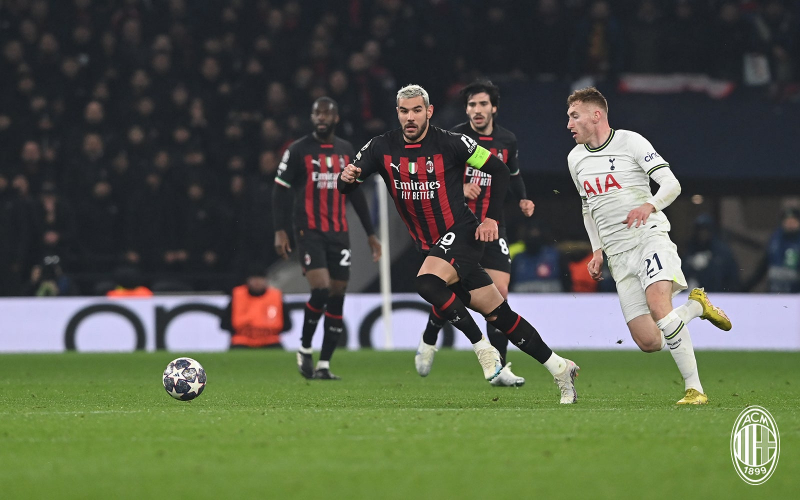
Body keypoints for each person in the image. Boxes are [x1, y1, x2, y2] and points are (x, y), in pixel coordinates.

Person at [339, 84, 580, 404]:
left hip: (463, 232)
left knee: (427, 282)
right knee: (501, 316)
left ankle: (483, 349)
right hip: (429, 245)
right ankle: (560, 367)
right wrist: (347, 178)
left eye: (416, 110)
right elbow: (349, 183)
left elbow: (498, 169)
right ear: (397, 113)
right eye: (404, 111)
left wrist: (491, 219)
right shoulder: (380, 146)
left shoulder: (452, 142)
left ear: (429, 111)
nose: (410, 117)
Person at [565, 86, 732, 405]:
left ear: (596, 115)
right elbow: (588, 207)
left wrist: (650, 205)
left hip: (648, 238)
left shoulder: (631, 142)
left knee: (659, 305)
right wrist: (597, 249)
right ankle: (697, 307)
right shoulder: (575, 158)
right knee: (649, 341)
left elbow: (672, 184)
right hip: (617, 255)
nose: (569, 124)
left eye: (574, 116)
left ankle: (694, 389)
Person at [414, 80, 535, 387]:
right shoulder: (453, 138)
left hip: (493, 226)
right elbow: (435, 179)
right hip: (460, 227)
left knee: (499, 295)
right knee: (453, 288)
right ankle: (431, 333)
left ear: (494, 108)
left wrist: (523, 198)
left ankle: (500, 368)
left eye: (483, 104)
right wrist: (461, 187)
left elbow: (513, 173)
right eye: (471, 105)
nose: (477, 110)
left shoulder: (507, 140)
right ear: (466, 109)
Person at [273, 97, 381, 380]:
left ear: (335, 118)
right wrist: (280, 230)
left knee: (337, 294)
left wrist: (371, 234)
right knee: (320, 289)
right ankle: (305, 348)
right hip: (309, 231)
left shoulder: (346, 150)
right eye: (317, 113)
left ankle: (324, 365)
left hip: (339, 233)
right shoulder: (298, 150)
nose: (321, 117)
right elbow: (280, 190)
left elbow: (355, 193)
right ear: (312, 118)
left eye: (326, 113)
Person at [220, 264, 292, 349]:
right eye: (254, 279)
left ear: (266, 280)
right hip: (242, 341)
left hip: (270, 341)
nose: (257, 282)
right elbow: (225, 323)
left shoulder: (275, 297)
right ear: (248, 281)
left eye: (260, 279)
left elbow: (287, 324)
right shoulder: (238, 296)